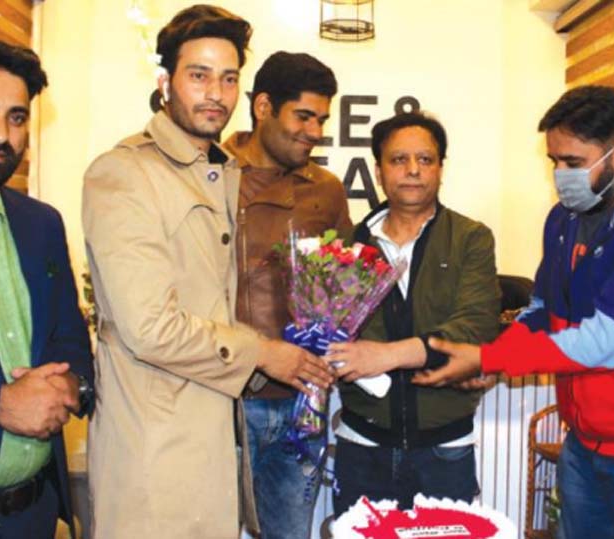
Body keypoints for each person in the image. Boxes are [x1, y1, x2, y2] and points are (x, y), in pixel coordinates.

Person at [414, 86, 614, 539]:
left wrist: (489, 358)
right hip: (587, 444)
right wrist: (497, 357)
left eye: (572, 163)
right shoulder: (565, 218)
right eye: (554, 162)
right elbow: (543, 309)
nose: (560, 176)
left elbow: (606, 342)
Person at [82, 6, 332, 539]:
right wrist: (263, 352)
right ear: (165, 82)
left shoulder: (218, 172)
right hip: (155, 446)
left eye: (229, 78)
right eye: (199, 75)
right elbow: (150, 327)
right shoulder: (125, 173)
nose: (216, 93)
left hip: (217, 434)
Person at [0, 36, 93, 539]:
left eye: (16, 117)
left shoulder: (42, 224)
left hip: (34, 513)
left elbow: (70, 340)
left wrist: (71, 385)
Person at [327, 112, 501, 516]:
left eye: (425, 159)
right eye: (398, 159)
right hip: (362, 446)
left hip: (445, 449)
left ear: (440, 168)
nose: (412, 170)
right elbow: (333, 333)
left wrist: (386, 355)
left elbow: (473, 328)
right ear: (378, 170)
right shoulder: (347, 247)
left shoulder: (471, 238)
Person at [223, 51, 351, 539]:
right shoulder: (212, 175)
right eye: (303, 116)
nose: (314, 131)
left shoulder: (327, 189)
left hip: (303, 403)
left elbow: (345, 285)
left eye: (321, 119)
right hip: (226, 398)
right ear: (263, 107)